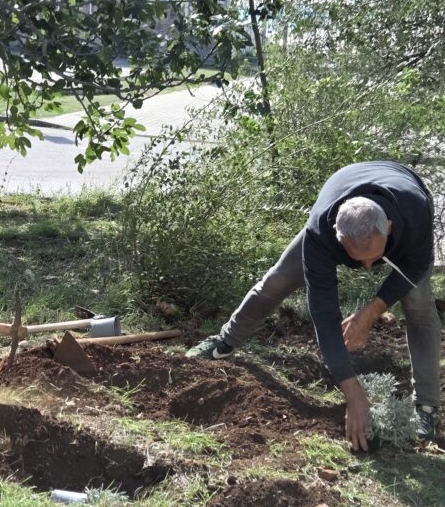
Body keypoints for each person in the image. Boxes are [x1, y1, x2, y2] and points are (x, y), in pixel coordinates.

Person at [186, 161, 441, 450]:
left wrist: (369, 313)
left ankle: (427, 408)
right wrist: (353, 393)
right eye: (358, 258)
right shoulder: (321, 231)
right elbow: (324, 314)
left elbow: (413, 268)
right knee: (277, 280)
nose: (368, 267)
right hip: (340, 191)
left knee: (419, 308)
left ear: (390, 227)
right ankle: (224, 341)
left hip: (406, 208)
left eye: (374, 257)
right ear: (336, 233)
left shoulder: (415, 211)